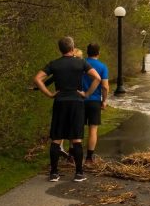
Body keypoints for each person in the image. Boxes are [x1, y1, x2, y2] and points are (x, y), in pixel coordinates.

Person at [34, 37, 101, 182]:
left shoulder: (55, 64)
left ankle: (54, 173)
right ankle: (79, 173)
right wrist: (87, 94)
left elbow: (38, 79)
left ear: (60, 49)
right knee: (76, 139)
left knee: (57, 139)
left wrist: (49, 94)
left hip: (60, 102)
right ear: (72, 48)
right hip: (76, 103)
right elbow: (97, 78)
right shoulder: (81, 62)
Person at [82, 43, 110, 165]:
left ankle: (71, 155)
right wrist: (104, 101)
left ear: (87, 52)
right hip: (94, 101)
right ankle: (89, 158)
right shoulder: (102, 67)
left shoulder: (80, 63)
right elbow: (105, 86)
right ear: (98, 53)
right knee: (93, 129)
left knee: (77, 127)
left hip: (80, 99)